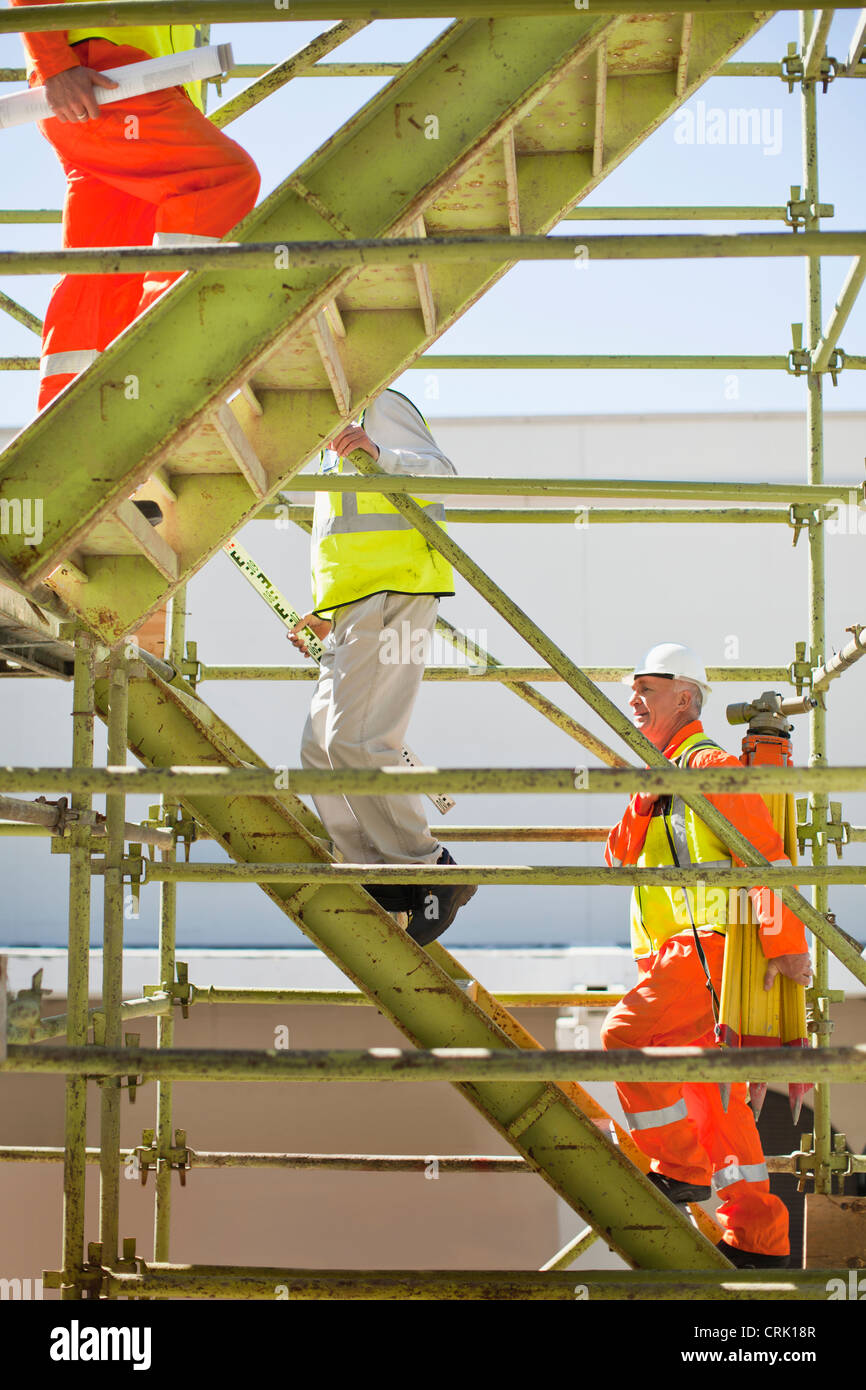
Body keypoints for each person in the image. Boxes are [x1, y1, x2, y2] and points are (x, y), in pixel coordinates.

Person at [601, 642, 812, 1269]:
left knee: (625, 1040)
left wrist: (787, 947)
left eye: (648, 688)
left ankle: (681, 1169)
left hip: (703, 951)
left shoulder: (710, 766)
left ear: (685, 697)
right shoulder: (659, 777)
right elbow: (617, 857)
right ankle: (760, 1242)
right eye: (633, 687)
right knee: (714, 1105)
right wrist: (645, 792)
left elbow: (766, 859)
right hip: (677, 957)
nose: (634, 699)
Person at [288, 388, 476, 946]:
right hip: (355, 605)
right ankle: (377, 874)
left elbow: (441, 474)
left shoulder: (379, 405)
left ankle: (428, 870)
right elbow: (343, 541)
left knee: (358, 743)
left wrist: (379, 453)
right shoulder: (329, 434)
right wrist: (328, 611)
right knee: (318, 752)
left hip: (394, 592)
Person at [12, 0, 260, 410]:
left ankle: (71, 413)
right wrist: (54, 62)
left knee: (106, 264)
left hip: (114, 81)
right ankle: (161, 351)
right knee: (221, 179)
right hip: (105, 76)